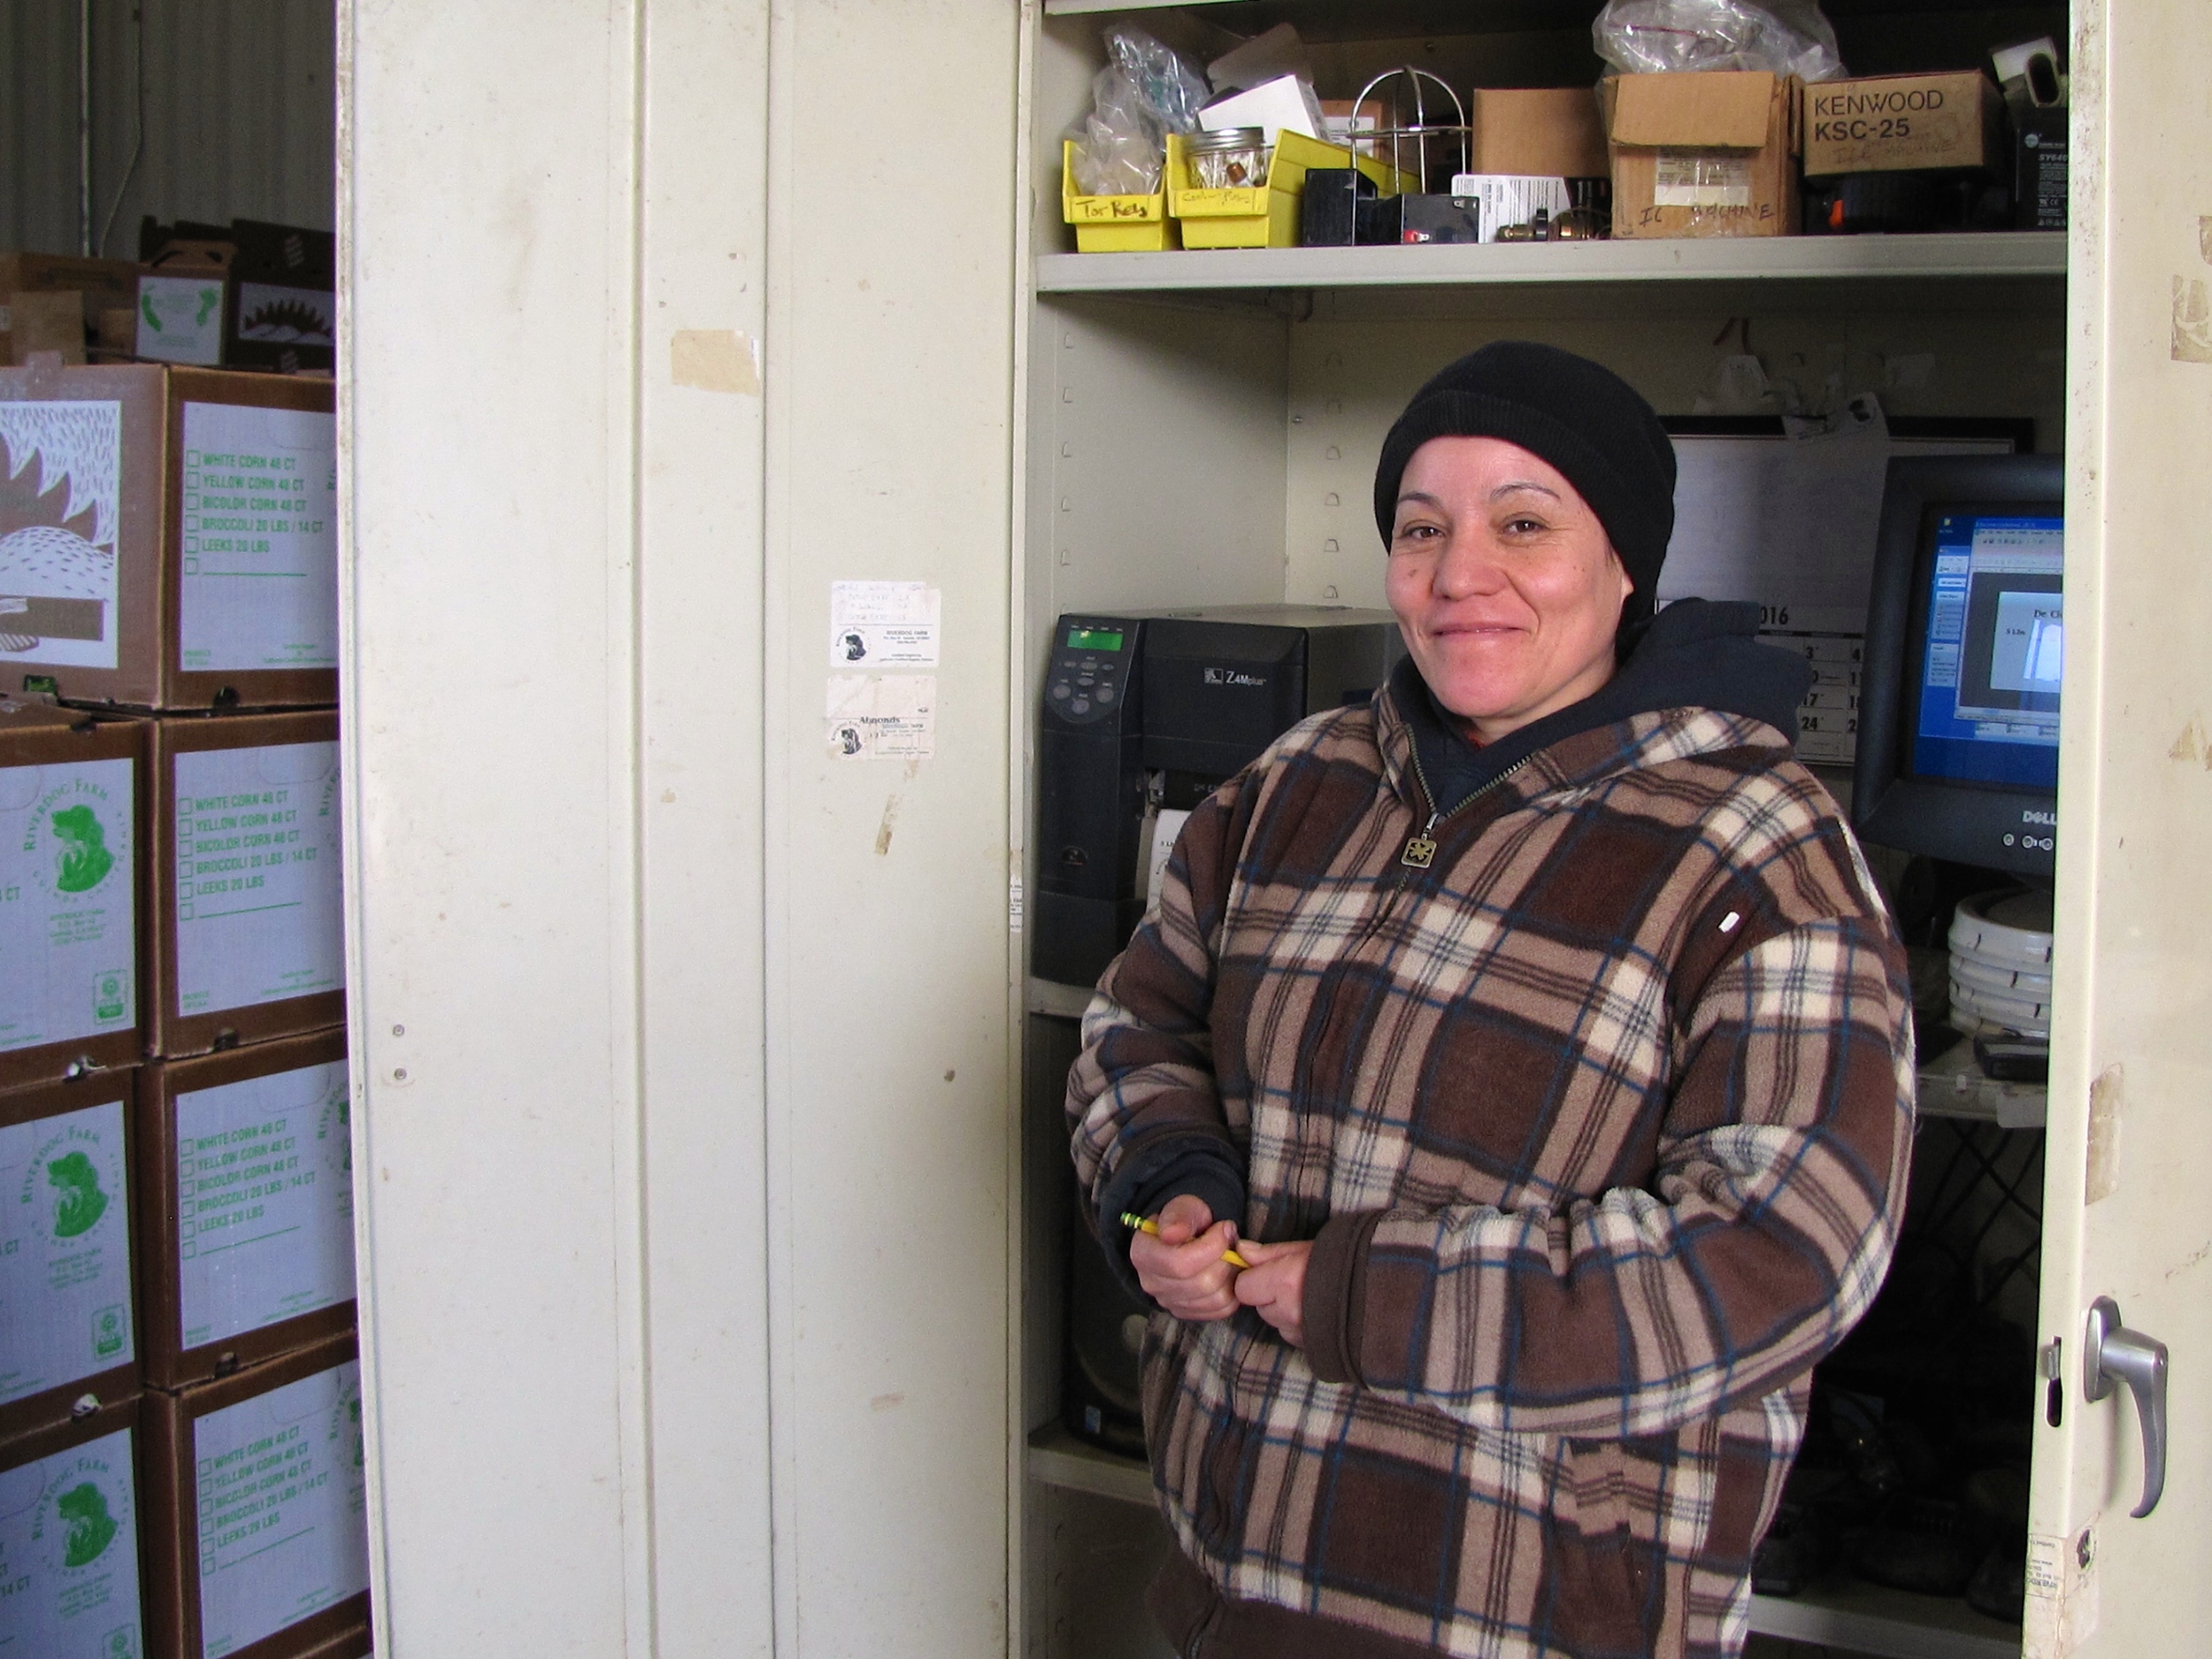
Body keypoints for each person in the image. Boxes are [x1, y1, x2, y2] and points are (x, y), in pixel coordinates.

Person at [1065, 342, 1914, 1659]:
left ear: (1626, 563)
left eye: (1525, 523)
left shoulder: (1755, 842)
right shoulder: (1298, 782)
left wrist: (1374, 1299)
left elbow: (1786, 1253)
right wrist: (1166, 1183)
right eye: (1421, 530)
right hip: (1233, 1577)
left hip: (1530, 1605)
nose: (1461, 575)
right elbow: (1138, 1024)